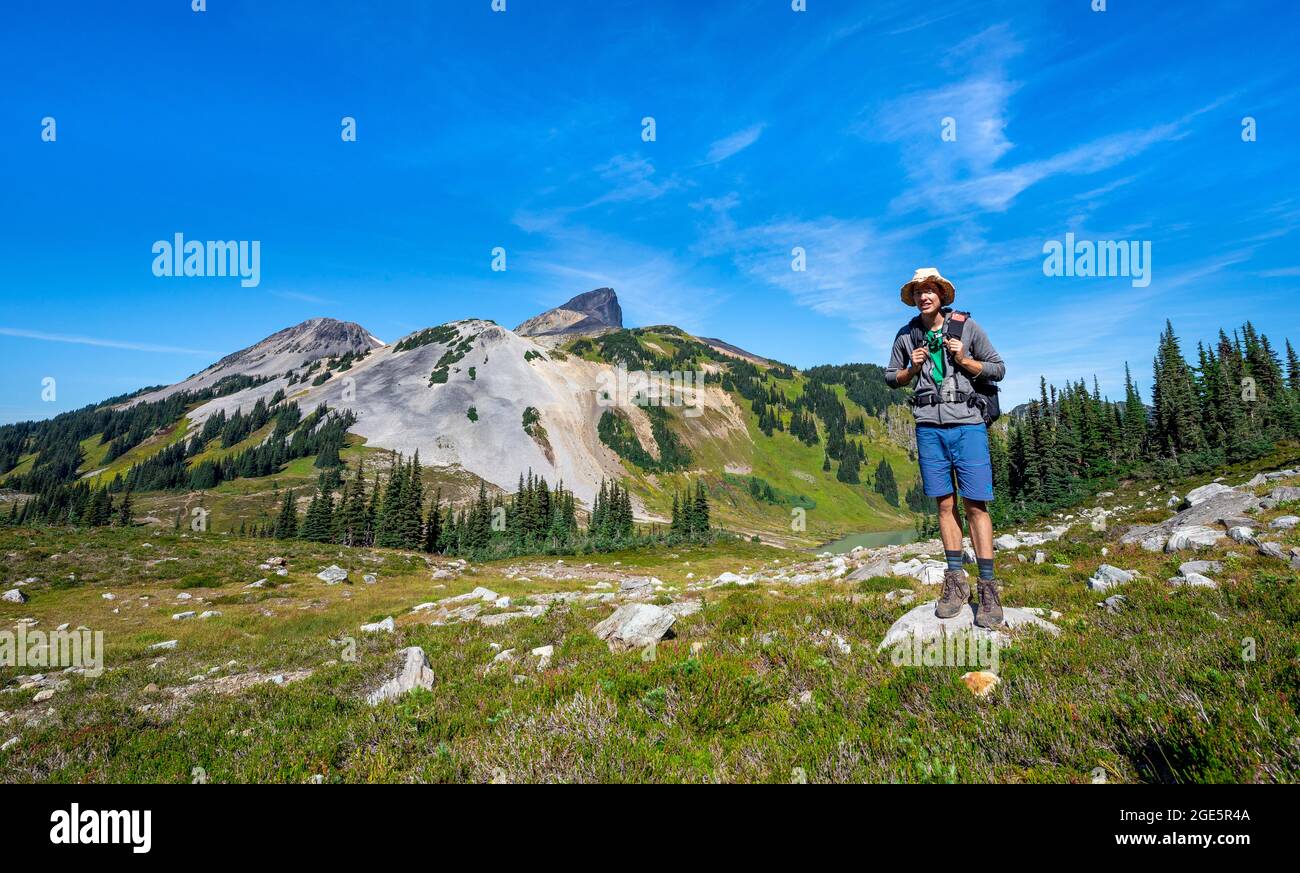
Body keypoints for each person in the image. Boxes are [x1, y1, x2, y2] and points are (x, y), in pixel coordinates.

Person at [884, 268, 1007, 627]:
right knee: (944, 503)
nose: (925, 296)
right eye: (919, 291)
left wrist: (966, 360)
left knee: (976, 505)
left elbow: (998, 369)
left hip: (968, 423)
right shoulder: (907, 335)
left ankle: (988, 588)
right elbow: (891, 377)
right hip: (928, 427)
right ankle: (955, 582)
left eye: (930, 290)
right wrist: (911, 369)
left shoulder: (967, 327)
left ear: (941, 294)